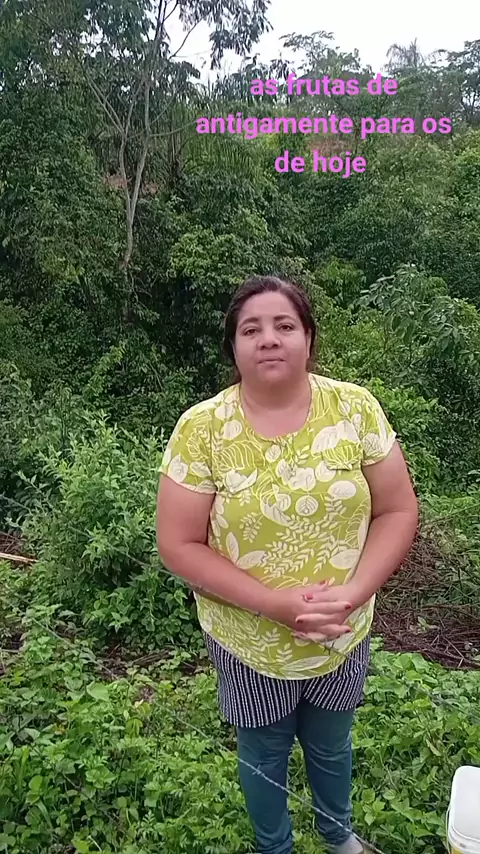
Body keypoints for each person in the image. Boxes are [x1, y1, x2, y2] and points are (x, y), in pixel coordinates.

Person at [156, 275, 418, 854]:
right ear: (233, 348)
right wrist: (273, 605)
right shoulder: (202, 429)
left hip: (341, 630)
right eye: (251, 329)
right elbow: (178, 543)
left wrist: (351, 595)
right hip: (249, 640)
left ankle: (337, 836)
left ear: (308, 338)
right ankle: (274, 847)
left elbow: (398, 509)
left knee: (331, 743)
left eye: (284, 325)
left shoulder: (354, 408)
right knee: (264, 754)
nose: (269, 339)